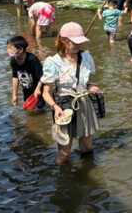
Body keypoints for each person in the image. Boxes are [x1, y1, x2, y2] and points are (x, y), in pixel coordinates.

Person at [40, 22, 101, 164]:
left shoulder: (86, 57)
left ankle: (87, 175)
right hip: (64, 107)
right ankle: (62, 181)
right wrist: (55, 107)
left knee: (87, 147)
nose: (79, 45)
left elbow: (86, 83)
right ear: (63, 40)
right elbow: (46, 92)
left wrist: (91, 87)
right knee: (64, 153)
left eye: (80, 42)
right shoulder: (53, 62)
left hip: (85, 104)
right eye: (75, 42)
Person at [7, 35, 45, 109]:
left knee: (40, 108)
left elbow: (42, 76)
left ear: (20, 49)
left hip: (38, 88)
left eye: (11, 48)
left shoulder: (32, 60)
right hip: (26, 88)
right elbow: (15, 77)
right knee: (28, 108)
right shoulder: (13, 60)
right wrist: (14, 95)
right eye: (7, 48)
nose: (8, 50)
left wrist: (38, 89)